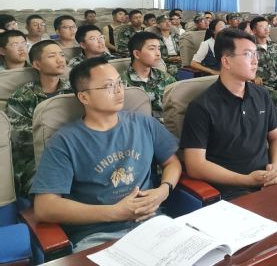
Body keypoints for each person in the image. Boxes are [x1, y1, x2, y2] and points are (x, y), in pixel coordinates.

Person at [31, 57, 181, 251]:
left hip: (152, 223)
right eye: (109, 86)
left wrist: (163, 190)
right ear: (84, 97)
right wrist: (115, 212)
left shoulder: (143, 123)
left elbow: (172, 163)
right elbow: (45, 207)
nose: (119, 90)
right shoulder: (65, 141)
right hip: (98, 236)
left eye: (119, 83)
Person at [181, 29, 277, 200]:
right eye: (247, 54)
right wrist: (247, 180)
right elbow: (195, 165)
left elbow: (276, 138)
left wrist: (274, 169)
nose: (255, 61)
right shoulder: (202, 106)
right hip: (231, 186)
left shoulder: (262, 94)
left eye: (255, 54)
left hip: (265, 177)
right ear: (226, 61)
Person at [7, 40, 71, 198]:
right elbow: (21, 139)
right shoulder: (22, 97)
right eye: (52, 56)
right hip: (35, 160)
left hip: (73, 151)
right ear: (37, 64)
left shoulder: (73, 90)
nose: (60, 60)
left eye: (62, 55)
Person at [120, 32, 176, 119]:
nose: (158, 53)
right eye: (152, 49)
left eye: (159, 48)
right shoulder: (122, 82)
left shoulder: (166, 78)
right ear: (137, 54)